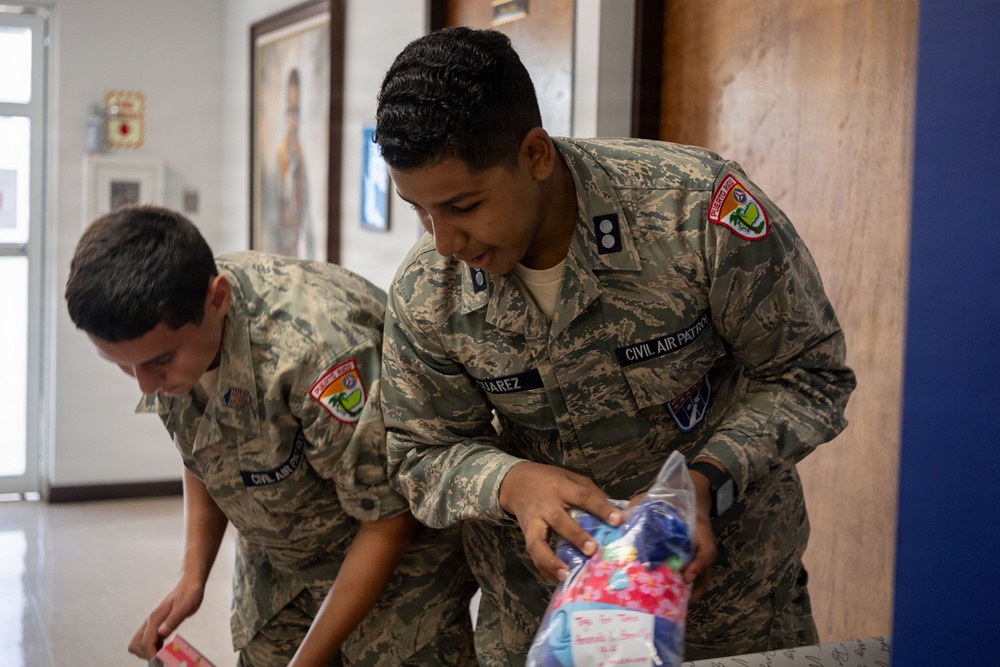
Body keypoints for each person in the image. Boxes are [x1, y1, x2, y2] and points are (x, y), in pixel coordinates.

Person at [374, 27, 857, 666]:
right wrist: (511, 482)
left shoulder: (693, 214)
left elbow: (809, 375)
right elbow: (419, 453)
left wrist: (705, 484)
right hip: (550, 625)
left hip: (727, 610)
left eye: (463, 206)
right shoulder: (428, 291)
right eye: (419, 211)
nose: (444, 242)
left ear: (536, 154)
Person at [64, 205, 478, 666]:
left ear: (217, 299)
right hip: (280, 564)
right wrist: (192, 576)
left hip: (399, 577)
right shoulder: (175, 340)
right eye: (121, 364)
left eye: (158, 361)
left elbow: (387, 521)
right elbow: (203, 451)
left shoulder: (316, 353)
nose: (143, 383)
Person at [276, 68, 316, 258]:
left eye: (297, 112)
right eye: (291, 111)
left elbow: (306, 207)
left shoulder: (301, 157)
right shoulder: (278, 158)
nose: (294, 120)